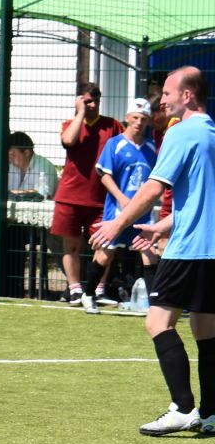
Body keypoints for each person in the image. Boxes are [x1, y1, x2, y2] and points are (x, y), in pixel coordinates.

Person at [90, 66, 215, 436]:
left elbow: (153, 189)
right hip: (211, 249)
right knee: (206, 329)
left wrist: (117, 223)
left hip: (190, 249)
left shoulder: (181, 132)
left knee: (157, 322)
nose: (162, 99)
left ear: (187, 95)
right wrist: (162, 226)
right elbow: (202, 198)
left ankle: (182, 407)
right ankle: (210, 414)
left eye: (167, 93)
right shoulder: (211, 132)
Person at [82, 98, 156, 314]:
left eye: (143, 119)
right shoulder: (115, 144)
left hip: (142, 213)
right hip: (117, 211)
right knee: (105, 254)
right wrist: (122, 198)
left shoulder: (152, 148)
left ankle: (154, 304)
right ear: (127, 118)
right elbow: (104, 175)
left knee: (148, 253)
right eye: (135, 118)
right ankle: (88, 294)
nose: (139, 122)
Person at [55, 81, 121, 305]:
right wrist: (80, 113)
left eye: (95, 101)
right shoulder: (69, 124)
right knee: (71, 246)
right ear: (79, 100)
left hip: (101, 198)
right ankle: (74, 290)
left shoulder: (112, 125)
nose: (93, 105)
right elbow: (68, 141)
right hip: (70, 196)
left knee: (104, 246)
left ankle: (97, 290)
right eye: (87, 101)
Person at [5, 132, 58, 197]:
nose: (9, 159)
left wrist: (13, 192)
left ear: (26, 153)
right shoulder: (11, 166)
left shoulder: (45, 167)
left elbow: (44, 194)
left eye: (13, 155)